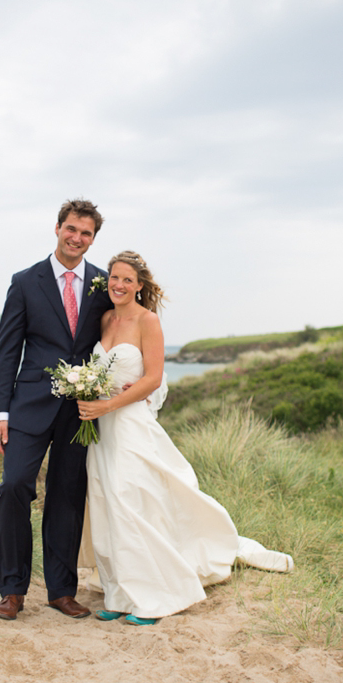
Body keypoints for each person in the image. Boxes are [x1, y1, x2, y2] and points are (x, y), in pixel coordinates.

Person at [77, 251, 293, 626]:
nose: (119, 284)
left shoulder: (148, 321)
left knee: (131, 504)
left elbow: (152, 379)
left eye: (128, 279)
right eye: (114, 277)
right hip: (101, 432)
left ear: (140, 285)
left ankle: (155, 595)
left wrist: (108, 406)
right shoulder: (105, 319)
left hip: (127, 424)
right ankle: (118, 592)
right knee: (106, 504)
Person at [0, 199, 112, 621]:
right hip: (28, 406)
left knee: (67, 496)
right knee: (14, 487)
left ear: (93, 239)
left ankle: (62, 591)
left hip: (80, 412)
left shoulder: (103, 283)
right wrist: (0, 413)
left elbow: (119, 337)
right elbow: (8, 351)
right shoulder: (25, 281)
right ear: (57, 228)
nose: (77, 238)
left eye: (86, 233)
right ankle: (12, 590)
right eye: (71, 229)